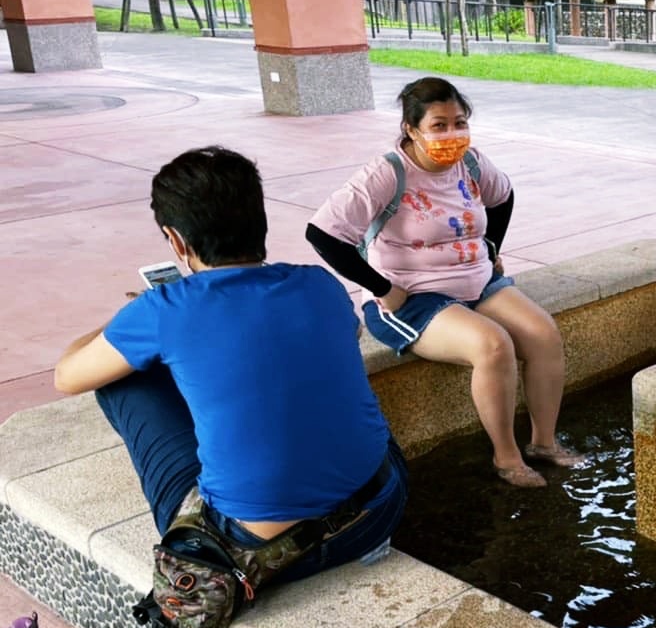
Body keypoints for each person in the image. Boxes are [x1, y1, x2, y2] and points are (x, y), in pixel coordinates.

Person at [53, 147, 408, 584]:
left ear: (176, 240)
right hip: (380, 508)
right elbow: (348, 337)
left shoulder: (165, 308)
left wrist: (131, 317)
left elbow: (67, 376)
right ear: (260, 220)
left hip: (254, 553)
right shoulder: (320, 283)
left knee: (123, 379)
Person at [307, 77, 582, 488]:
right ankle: (506, 457)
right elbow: (323, 234)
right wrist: (382, 288)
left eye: (459, 123)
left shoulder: (471, 163)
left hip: (477, 281)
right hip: (411, 297)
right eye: (439, 125)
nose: (452, 134)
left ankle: (544, 442)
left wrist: (490, 249)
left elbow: (503, 196)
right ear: (411, 129)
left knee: (543, 334)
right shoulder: (386, 173)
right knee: (493, 345)